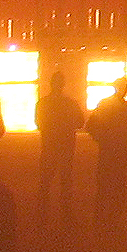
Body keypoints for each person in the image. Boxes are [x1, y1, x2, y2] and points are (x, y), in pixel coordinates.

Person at [34, 71, 81, 229]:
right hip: (66, 146)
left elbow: (38, 123)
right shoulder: (70, 103)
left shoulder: (43, 103)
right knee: (66, 182)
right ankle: (66, 214)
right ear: (63, 85)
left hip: (48, 146)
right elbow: (80, 122)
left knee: (45, 183)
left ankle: (41, 215)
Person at [86, 84, 127, 234]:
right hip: (120, 151)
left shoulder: (104, 104)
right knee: (118, 186)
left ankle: (100, 219)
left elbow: (90, 125)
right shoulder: (125, 108)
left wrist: (101, 139)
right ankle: (113, 220)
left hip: (108, 151)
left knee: (104, 185)